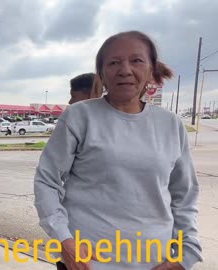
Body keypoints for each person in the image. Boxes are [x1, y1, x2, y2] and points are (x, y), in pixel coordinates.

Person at [34, 31, 202, 270]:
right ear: (101, 72)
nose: (125, 70)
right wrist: (64, 239)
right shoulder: (79, 117)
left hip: (155, 264)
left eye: (136, 60)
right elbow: (47, 181)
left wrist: (185, 256)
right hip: (86, 263)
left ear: (151, 70)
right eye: (114, 62)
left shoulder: (171, 124)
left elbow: (184, 196)